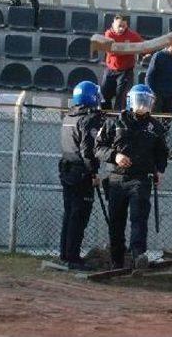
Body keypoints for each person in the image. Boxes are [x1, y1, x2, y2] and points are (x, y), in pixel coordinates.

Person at [95, 84, 169, 270]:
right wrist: (115, 156)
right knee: (116, 221)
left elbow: (162, 152)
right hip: (116, 179)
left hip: (141, 179)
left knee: (139, 218)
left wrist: (159, 170)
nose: (142, 106)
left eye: (146, 102)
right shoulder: (114, 122)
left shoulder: (155, 127)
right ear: (130, 101)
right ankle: (117, 259)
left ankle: (138, 256)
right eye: (139, 101)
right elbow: (98, 148)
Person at [58, 81, 104, 271]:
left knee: (69, 214)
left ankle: (65, 253)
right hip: (81, 172)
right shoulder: (88, 119)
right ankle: (73, 257)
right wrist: (93, 172)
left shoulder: (69, 116)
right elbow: (88, 150)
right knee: (79, 215)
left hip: (67, 169)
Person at [101, 15, 144, 110]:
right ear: (113, 25)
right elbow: (112, 50)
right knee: (104, 95)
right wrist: (129, 49)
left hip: (125, 71)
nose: (121, 29)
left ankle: (118, 121)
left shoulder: (132, 35)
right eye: (119, 26)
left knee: (121, 98)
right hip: (111, 70)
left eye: (124, 26)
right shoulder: (109, 34)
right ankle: (106, 118)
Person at [145, 43, 172, 113]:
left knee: (167, 119)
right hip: (158, 95)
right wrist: (152, 93)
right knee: (155, 118)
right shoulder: (158, 56)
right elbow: (149, 76)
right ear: (171, 45)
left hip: (170, 96)